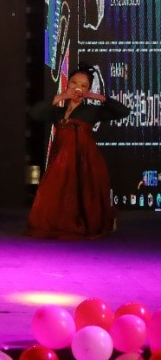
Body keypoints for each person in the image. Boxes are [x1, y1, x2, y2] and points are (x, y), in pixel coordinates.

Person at [25, 67, 127, 239]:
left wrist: (97, 97)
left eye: (84, 85)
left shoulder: (92, 110)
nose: (78, 87)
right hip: (61, 161)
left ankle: (103, 220)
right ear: (67, 84)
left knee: (85, 196)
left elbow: (123, 111)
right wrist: (62, 96)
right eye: (74, 82)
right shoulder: (58, 112)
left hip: (85, 160)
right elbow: (34, 113)